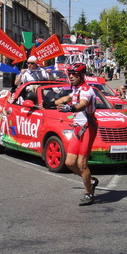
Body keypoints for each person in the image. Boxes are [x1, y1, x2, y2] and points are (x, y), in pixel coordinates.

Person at [53, 63, 99, 206]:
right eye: (70, 74)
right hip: (78, 128)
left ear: (82, 75)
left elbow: (83, 105)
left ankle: (88, 193)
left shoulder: (86, 90)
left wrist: (70, 108)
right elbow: (67, 98)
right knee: (69, 163)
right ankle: (90, 181)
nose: (71, 76)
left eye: (75, 74)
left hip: (88, 127)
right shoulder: (76, 89)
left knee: (82, 163)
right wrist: (50, 103)